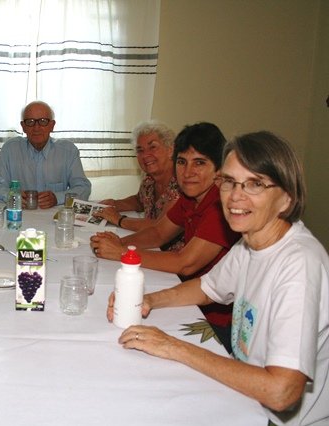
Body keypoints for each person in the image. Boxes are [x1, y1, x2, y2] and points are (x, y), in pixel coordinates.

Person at [108, 131, 329, 426]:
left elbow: (282, 392)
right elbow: (206, 288)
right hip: (243, 400)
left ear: (287, 198)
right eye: (229, 181)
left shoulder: (300, 267)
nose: (235, 196)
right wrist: (147, 300)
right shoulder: (251, 243)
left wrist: (174, 347)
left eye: (254, 184)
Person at [91, 122, 240, 344]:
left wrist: (122, 252)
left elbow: (185, 263)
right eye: (182, 162)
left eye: (199, 163)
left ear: (219, 170)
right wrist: (117, 242)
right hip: (187, 295)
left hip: (215, 318)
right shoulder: (190, 198)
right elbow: (158, 234)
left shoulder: (221, 204)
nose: (188, 172)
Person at [95, 120, 183, 251]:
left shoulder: (182, 184)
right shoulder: (149, 178)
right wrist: (115, 204)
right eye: (140, 150)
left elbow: (160, 227)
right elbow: (140, 200)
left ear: (170, 150)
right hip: (149, 245)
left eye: (152, 147)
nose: (145, 155)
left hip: (171, 256)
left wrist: (119, 219)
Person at [0, 101, 91, 208]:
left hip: (54, 219)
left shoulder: (68, 151)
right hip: (21, 216)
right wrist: (12, 196)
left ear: (52, 125)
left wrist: (57, 198)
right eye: (30, 121)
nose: (36, 128)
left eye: (43, 121)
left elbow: (83, 188)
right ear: (23, 127)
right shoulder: (10, 149)